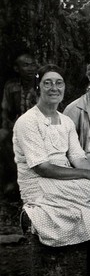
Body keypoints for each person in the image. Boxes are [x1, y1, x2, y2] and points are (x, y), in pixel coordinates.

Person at [14, 64, 90, 276]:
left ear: (64, 87)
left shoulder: (65, 121)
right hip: (39, 183)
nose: (54, 88)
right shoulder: (27, 122)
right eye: (48, 83)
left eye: (59, 83)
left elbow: (78, 158)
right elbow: (42, 168)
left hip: (63, 179)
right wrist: (89, 175)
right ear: (38, 88)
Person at [0, 53, 38, 198]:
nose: (30, 69)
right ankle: (13, 181)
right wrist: (5, 127)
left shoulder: (42, 85)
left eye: (32, 65)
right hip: (16, 128)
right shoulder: (11, 86)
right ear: (17, 68)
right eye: (25, 65)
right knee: (4, 140)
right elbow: (5, 110)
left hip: (37, 128)